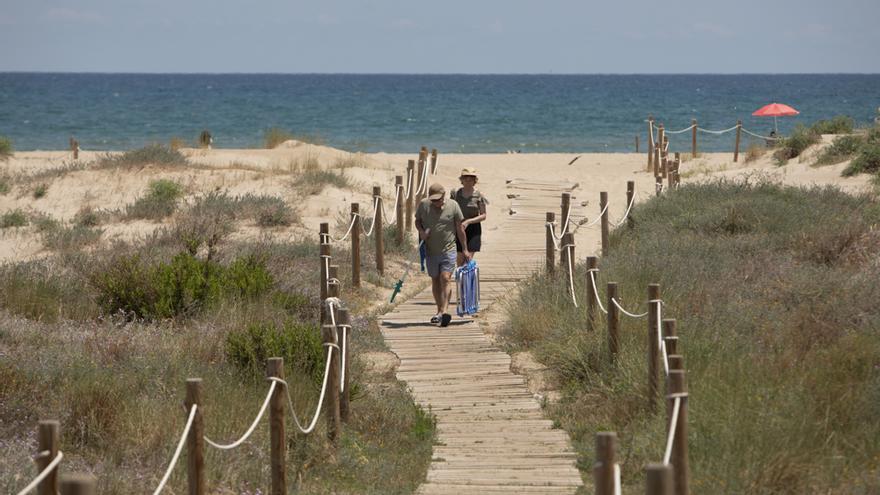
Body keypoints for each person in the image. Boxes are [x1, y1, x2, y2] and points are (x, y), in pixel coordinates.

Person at [415, 182, 470, 327]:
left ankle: (445, 311)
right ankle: (439, 310)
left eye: (438, 199)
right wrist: (421, 231)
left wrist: (464, 249)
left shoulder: (453, 206)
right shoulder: (424, 205)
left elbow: (460, 229)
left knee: (445, 278)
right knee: (435, 280)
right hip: (431, 250)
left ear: (444, 196)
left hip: (449, 249)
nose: (436, 202)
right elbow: (417, 221)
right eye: (433, 200)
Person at [451, 167, 489, 267]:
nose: (468, 181)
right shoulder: (455, 194)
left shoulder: (479, 195)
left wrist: (469, 221)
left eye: (471, 178)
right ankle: (460, 282)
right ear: (461, 180)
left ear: (474, 181)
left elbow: (483, 215)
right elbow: (450, 210)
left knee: (468, 258)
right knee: (459, 258)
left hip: (473, 228)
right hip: (459, 228)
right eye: (465, 178)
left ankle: (467, 280)